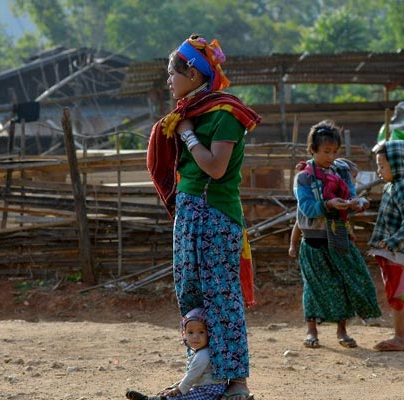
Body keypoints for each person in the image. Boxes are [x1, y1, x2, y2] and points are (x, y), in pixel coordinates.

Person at [147, 34, 261, 400]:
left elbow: (215, 168)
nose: (169, 80)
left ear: (194, 75)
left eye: (172, 73)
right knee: (191, 297)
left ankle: (237, 381)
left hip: (215, 216)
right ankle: (203, 378)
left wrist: (189, 137)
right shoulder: (187, 115)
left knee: (221, 298)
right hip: (189, 214)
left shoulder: (226, 113)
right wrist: (184, 129)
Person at [293, 120, 381, 349]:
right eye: (325, 151)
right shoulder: (304, 177)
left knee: (345, 282)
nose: (330, 156)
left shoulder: (341, 171)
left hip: (338, 235)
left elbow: (352, 194)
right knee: (313, 286)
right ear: (312, 150)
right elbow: (307, 208)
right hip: (313, 240)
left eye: (334, 151)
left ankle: (343, 330)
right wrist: (329, 204)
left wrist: (357, 203)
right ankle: (311, 331)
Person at [368, 140, 404, 351]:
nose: (379, 170)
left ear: (398, 164)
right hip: (391, 252)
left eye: (382, 165)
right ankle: (401, 334)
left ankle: (401, 337)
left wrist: (393, 242)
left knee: (397, 293)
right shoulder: (391, 187)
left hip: (398, 252)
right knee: (394, 291)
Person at [125, 308, 228, 400]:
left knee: (178, 397)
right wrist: (175, 387)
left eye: (201, 332)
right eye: (190, 332)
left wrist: (177, 390)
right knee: (172, 392)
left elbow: (191, 377)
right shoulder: (200, 351)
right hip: (203, 387)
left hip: (209, 392)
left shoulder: (204, 355)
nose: (195, 336)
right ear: (184, 333)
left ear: (210, 333)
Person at [289, 158, 360, 258]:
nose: (353, 181)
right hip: (316, 242)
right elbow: (299, 224)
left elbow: (343, 220)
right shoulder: (315, 193)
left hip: (333, 240)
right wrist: (293, 245)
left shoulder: (340, 193)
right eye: (353, 176)